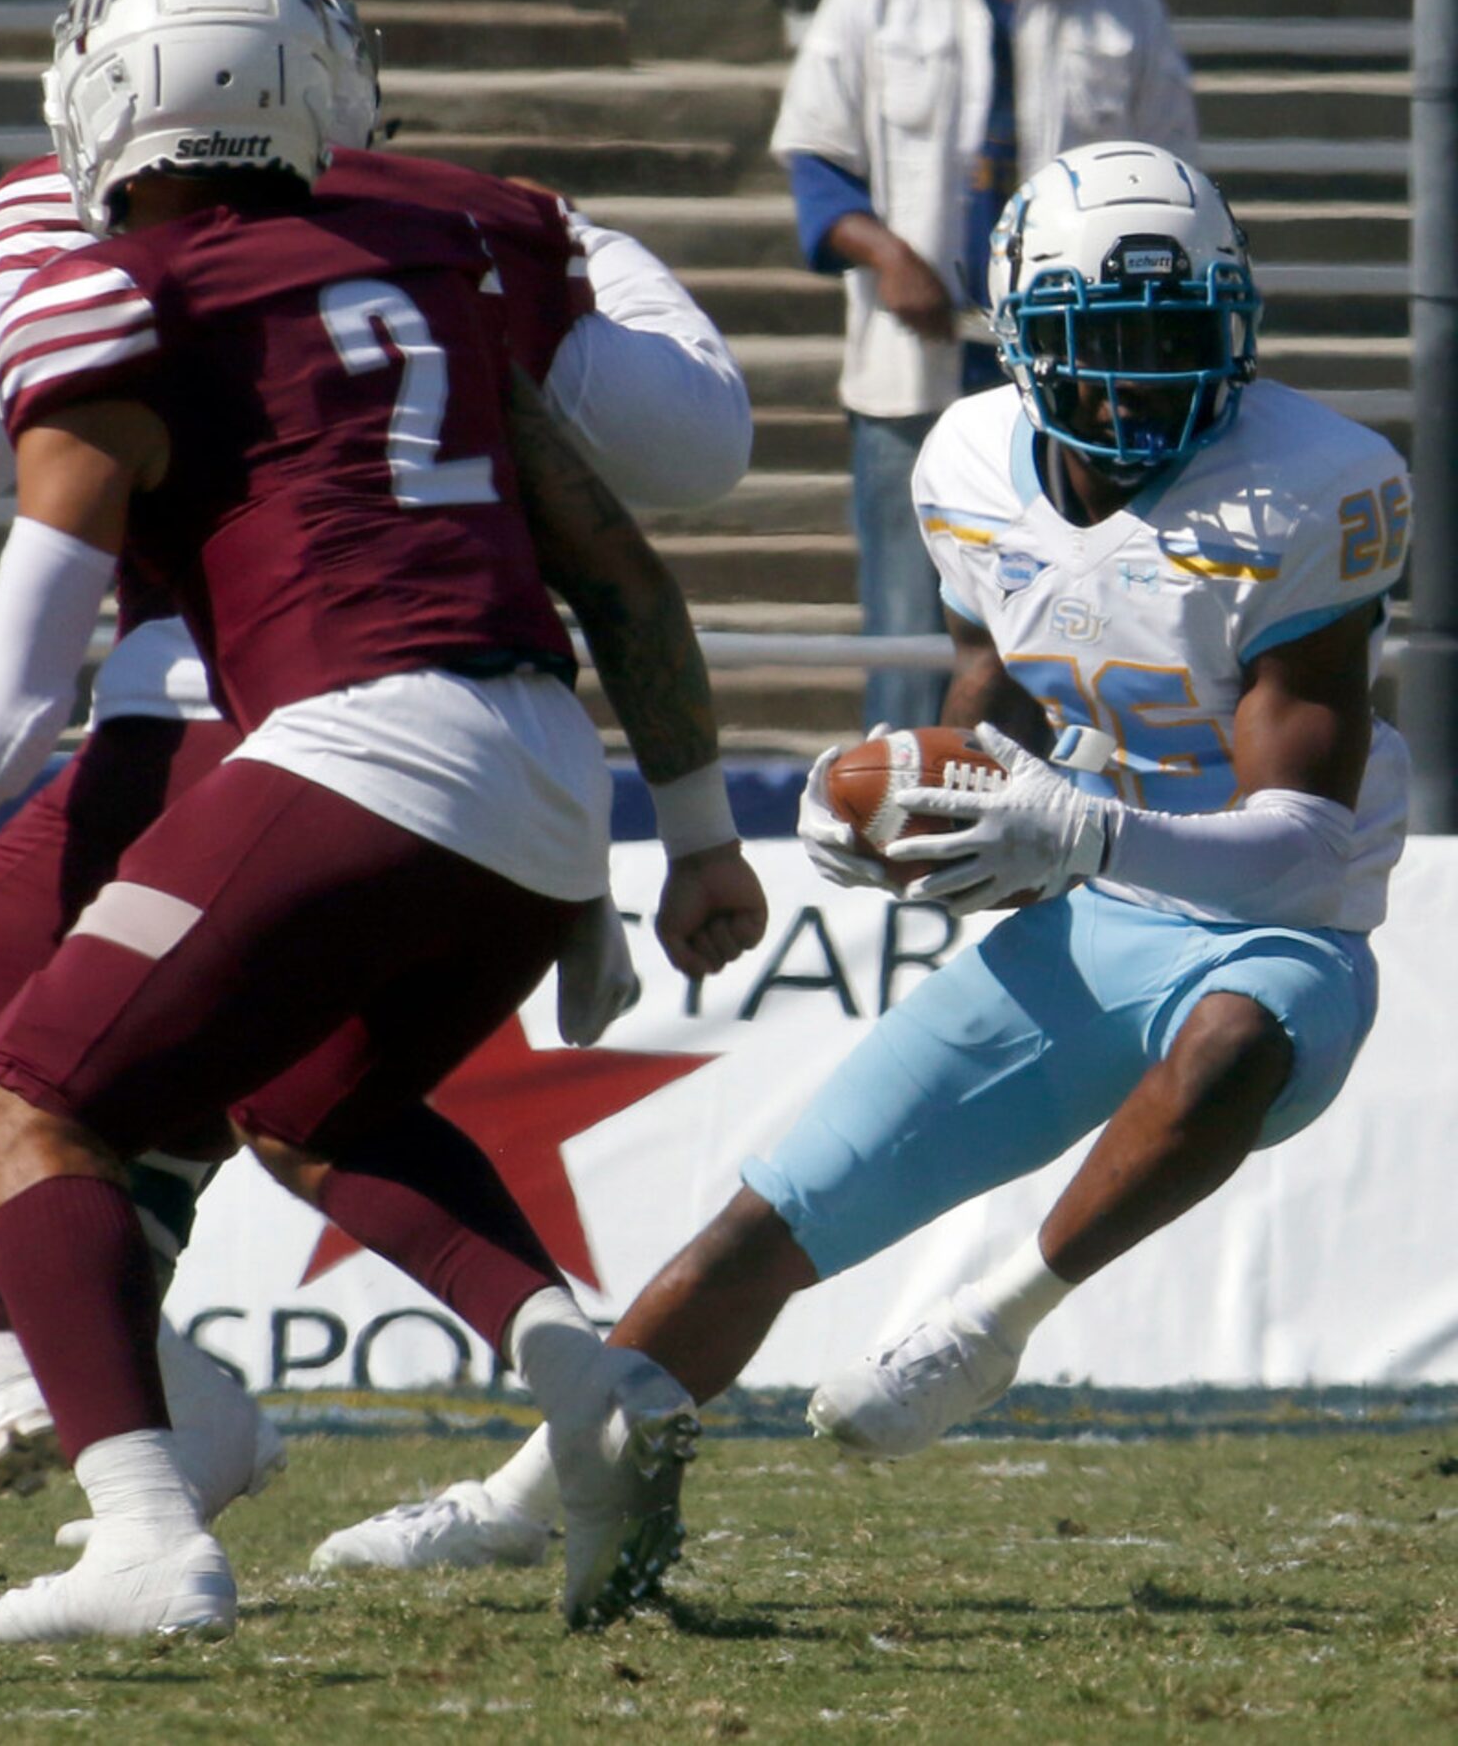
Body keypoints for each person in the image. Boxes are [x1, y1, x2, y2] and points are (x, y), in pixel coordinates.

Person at [0, 0, 766, 1642]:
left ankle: (117, 1498)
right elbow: (634, 536)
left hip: (314, 745)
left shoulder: (89, 296)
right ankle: (588, 1383)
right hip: (534, 767)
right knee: (308, 1103)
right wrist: (670, 839)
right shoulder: (456, 240)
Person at [312, 140, 1411, 1578]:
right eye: (1107, 342)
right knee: (776, 1210)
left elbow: (1305, 843)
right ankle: (521, 1498)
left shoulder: (1310, 485)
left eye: (1176, 337)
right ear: (1022, 344)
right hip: (1098, 908)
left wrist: (1079, 826)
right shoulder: (966, 461)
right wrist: (899, 797)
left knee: (1229, 1038)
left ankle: (990, 1322)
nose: (1145, 376)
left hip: (1281, 919)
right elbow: (991, 687)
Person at [770, 0, 1196, 731]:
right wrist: (889, 254)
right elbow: (817, 166)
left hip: (1072, 383)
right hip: (912, 378)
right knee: (909, 630)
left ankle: (1050, 825)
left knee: (1066, 619)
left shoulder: (1124, 10)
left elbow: (1172, 191)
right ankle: (900, 820)